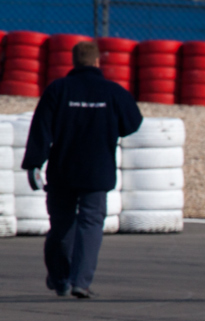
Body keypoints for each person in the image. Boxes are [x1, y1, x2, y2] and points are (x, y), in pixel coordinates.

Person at [22, 40, 143, 298]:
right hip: (97, 171)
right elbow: (134, 122)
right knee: (90, 224)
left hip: (62, 169)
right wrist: (111, 128)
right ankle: (81, 281)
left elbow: (41, 129)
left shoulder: (58, 90)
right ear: (98, 61)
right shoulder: (113, 92)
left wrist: (33, 163)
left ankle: (59, 277)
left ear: (74, 61)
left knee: (61, 226)